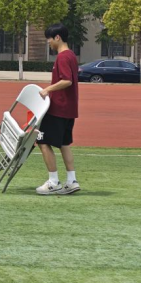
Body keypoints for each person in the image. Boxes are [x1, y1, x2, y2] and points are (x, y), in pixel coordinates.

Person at [36, 23, 81, 196]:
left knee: (42, 141)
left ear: (57, 37)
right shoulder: (71, 56)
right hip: (69, 109)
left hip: (58, 108)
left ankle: (53, 182)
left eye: (49, 39)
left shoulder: (62, 57)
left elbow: (67, 80)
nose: (48, 42)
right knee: (64, 144)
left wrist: (47, 89)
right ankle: (71, 181)